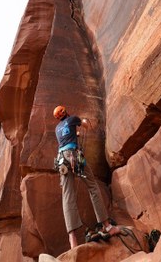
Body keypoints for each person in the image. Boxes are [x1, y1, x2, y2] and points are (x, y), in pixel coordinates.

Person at [53, 105, 121, 249]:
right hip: (74, 157)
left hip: (61, 160)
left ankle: (72, 241)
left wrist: (74, 135)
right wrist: (84, 121)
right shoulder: (73, 119)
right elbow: (85, 126)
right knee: (92, 187)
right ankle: (107, 227)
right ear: (65, 112)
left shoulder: (57, 129)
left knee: (67, 196)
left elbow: (66, 138)